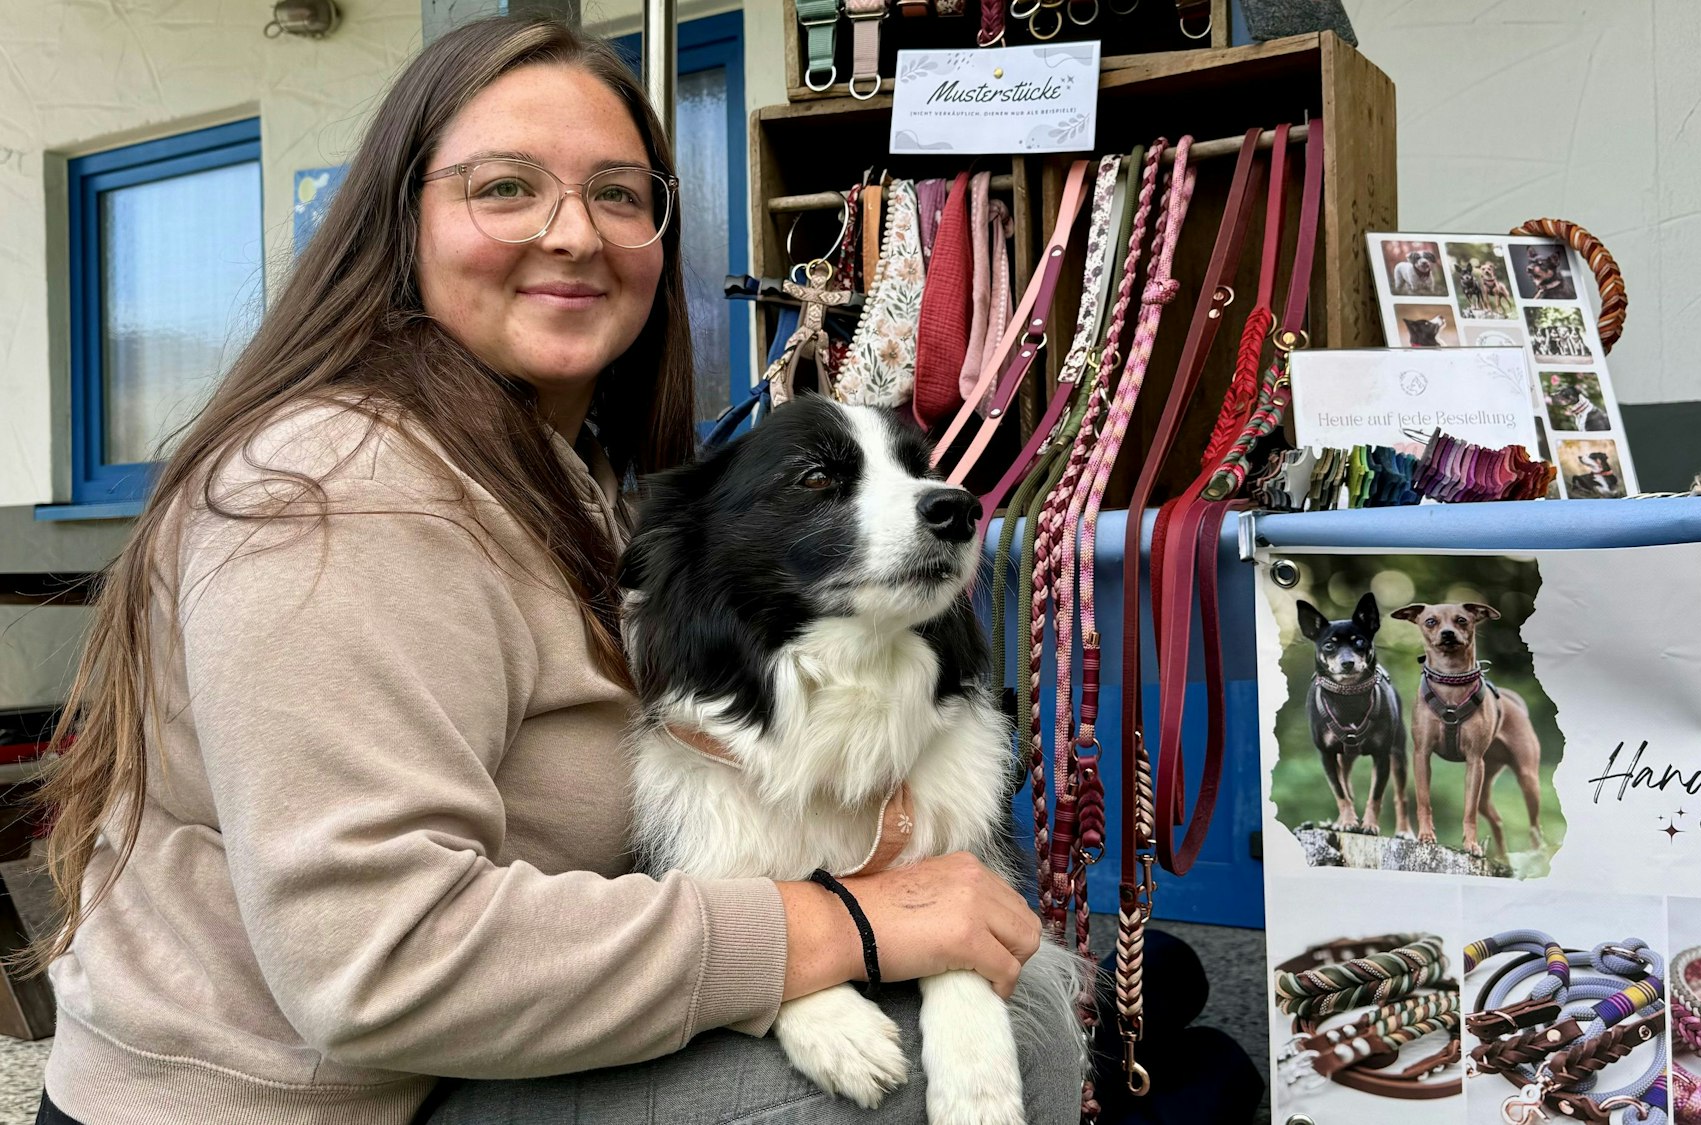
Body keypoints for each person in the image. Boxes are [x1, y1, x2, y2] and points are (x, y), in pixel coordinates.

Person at [31, 16, 1058, 1125]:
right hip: (291, 1102)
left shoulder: (556, 468)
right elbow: (373, 963)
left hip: (450, 1065)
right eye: (505, 187)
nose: (574, 234)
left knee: (1023, 981)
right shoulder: (337, 486)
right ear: (400, 220)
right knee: (985, 1046)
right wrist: (838, 924)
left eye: (619, 195)